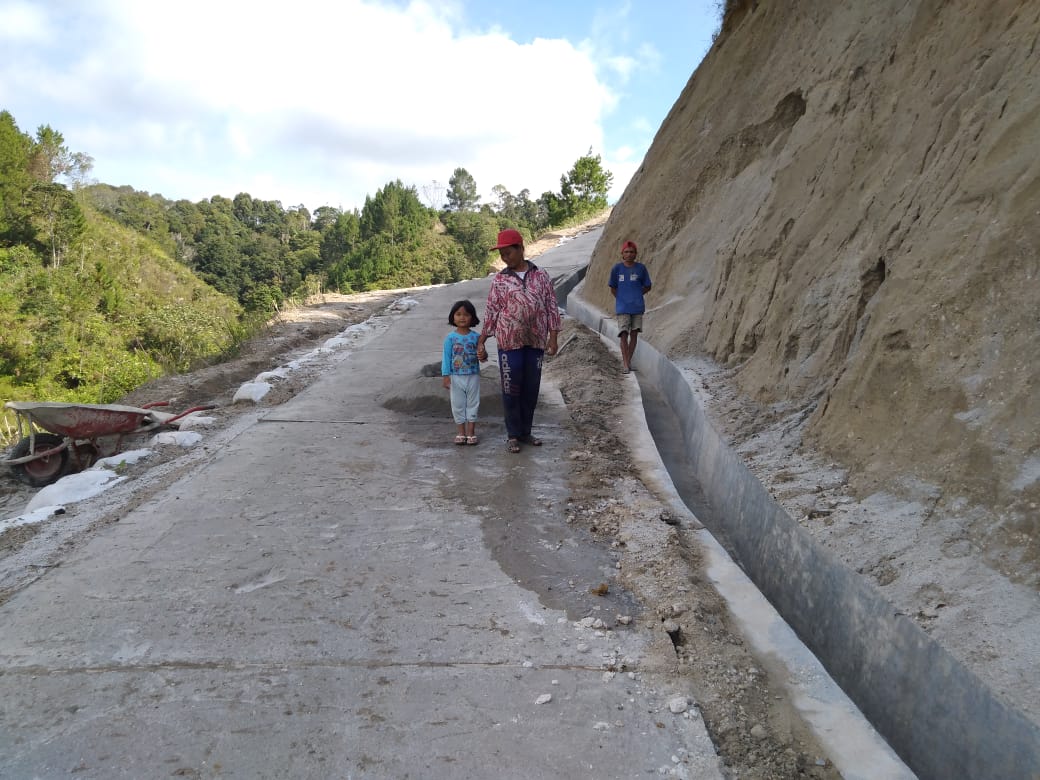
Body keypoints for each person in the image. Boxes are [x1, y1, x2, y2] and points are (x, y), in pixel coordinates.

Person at [477, 228, 561, 453]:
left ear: (521, 249)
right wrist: (482, 340)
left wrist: (553, 338)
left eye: (508, 252)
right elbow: (492, 311)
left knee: (531, 387)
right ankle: (513, 434)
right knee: (511, 388)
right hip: (508, 342)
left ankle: (526, 432)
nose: (505, 258)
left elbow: (551, 306)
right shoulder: (500, 280)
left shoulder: (541, 275)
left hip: (535, 341)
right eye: (502, 254)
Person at [442, 299, 482, 445]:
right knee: (457, 404)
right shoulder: (450, 338)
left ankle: (471, 433)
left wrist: (483, 355)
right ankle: (461, 433)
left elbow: (482, 356)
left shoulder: (476, 337)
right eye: (458, 314)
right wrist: (446, 376)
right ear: (453, 317)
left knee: (473, 403)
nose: (462, 317)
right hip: (456, 376)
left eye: (466, 314)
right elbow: (446, 358)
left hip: (473, 375)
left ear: (472, 317)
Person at [609, 240, 652, 374]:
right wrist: (622, 298)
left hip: (637, 307)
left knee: (634, 334)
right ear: (622, 253)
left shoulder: (641, 268)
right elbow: (613, 287)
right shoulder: (617, 269)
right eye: (626, 252)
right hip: (622, 308)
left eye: (632, 252)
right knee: (623, 334)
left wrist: (637, 295)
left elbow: (648, 285)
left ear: (636, 254)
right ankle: (625, 363)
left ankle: (628, 361)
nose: (629, 254)